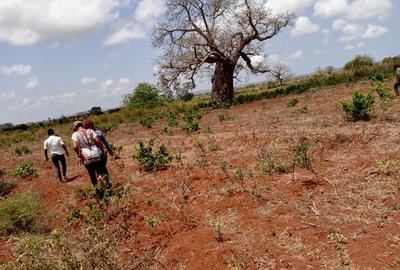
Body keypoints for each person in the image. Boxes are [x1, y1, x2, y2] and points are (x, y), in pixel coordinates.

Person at [71, 121, 108, 189]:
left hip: (86, 156)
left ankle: (98, 190)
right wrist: (102, 151)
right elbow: (98, 141)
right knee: (99, 170)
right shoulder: (90, 130)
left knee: (92, 174)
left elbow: (75, 147)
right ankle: (100, 177)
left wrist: (80, 156)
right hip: (96, 153)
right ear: (82, 125)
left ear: (75, 128)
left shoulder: (75, 134)